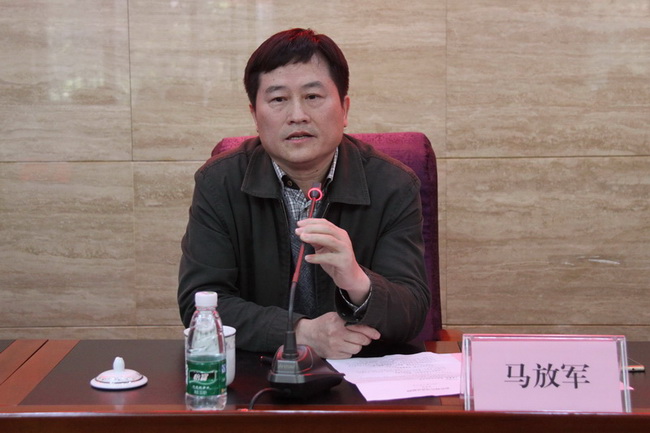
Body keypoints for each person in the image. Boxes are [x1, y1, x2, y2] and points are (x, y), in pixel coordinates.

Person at [178, 28, 430, 359]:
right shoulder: (219, 183)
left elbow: (412, 311)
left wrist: (358, 282)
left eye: (312, 96)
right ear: (255, 115)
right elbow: (200, 304)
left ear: (344, 109)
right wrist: (301, 333)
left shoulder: (393, 185)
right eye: (278, 99)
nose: (297, 115)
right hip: (260, 372)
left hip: (362, 370)